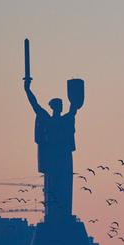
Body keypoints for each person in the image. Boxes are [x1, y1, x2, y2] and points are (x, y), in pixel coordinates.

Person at [24, 78, 78, 221]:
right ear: (54, 107)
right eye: (58, 105)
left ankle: (64, 213)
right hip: (53, 158)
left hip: (64, 157)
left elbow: (74, 109)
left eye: (61, 105)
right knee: (53, 186)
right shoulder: (47, 119)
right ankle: (54, 213)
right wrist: (28, 89)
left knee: (65, 187)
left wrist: (75, 98)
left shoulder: (65, 120)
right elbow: (35, 105)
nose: (60, 107)